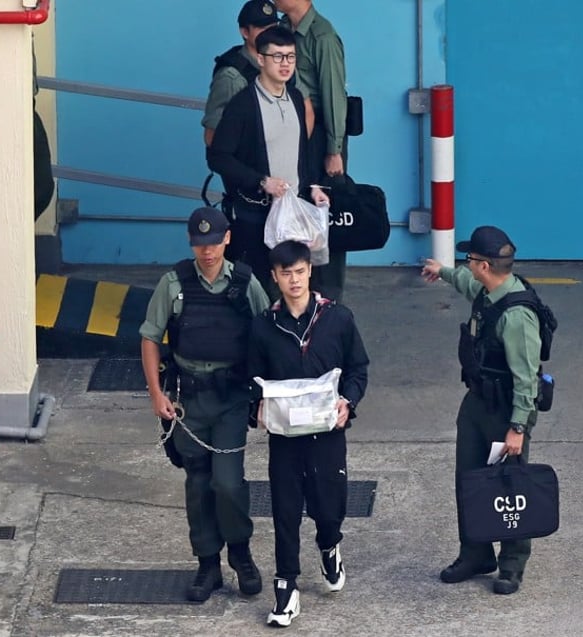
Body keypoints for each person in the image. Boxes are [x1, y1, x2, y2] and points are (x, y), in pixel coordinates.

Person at [138, 207, 271, 602]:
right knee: (198, 483)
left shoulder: (246, 283)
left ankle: (242, 555)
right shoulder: (173, 284)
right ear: (190, 242)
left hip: (230, 398)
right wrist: (155, 394)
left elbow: (268, 335)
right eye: (200, 243)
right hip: (188, 401)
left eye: (213, 242)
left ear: (227, 239)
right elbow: (150, 337)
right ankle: (208, 564)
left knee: (227, 483)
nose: (207, 251)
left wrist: (266, 396)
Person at [248, 240, 369, 627]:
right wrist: (258, 408)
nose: (294, 280)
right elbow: (249, 378)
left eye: (300, 271)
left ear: (309, 271)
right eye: (286, 274)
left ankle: (330, 544)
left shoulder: (339, 319)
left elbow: (358, 369)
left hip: (327, 434)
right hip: (284, 437)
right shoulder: (263, 327)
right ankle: (286, 590)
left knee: (328, 506)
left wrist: (347, 402)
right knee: (285, 511)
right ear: (275, 277)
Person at [420, 225, 542, 595]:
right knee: (469, 480)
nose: (466, 264)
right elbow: (463, 282)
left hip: (506, 410)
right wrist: (441, 270)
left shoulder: (517, 316)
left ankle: (512, 563)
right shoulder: (487, 290)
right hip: (477, 401)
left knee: (510, 486)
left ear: (485, 265)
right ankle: (475, 552)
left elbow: (526, 380)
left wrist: (517, 428)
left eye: (469, 259)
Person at [208, 27, 329, 294]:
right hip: (257, 214)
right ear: (261, 59)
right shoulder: (243, 105)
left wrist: (313, 186)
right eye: (277, 57)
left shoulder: (296, 98)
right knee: (260, 289)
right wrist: (261, 181)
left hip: (294, 211)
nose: (285, 63)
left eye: (290, 57)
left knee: (297, 286)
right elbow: (217, 157)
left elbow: (301, 151)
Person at [277, 0, 349, 302]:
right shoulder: (282, 29)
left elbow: (333, 94)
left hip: (320, 131)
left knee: (324, 212)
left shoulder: (322, 36)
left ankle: (328, 294)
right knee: (294, 207)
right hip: (292, 130)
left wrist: (334, 148)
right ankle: (298, 287)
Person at [203, 1, 314, 148]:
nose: (269, 33)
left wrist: (294, 152)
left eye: (273, 26)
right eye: (262, 27)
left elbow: (307, 111)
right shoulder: (232, 77)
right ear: (245, 32)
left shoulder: (283, 64)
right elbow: (212, 136)